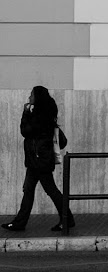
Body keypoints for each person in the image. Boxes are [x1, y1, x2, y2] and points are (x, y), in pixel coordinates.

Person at [1, 86, 75, 232]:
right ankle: (20, 223)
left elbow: (25, 131)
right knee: (30, 190)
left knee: (48, 190)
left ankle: (67, 219)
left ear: (38, 97)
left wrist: (25, 113)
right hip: (38, 161)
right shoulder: (46, 116)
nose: (29, 97)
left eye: (31, 95)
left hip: (39, 161)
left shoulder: (38, 117)